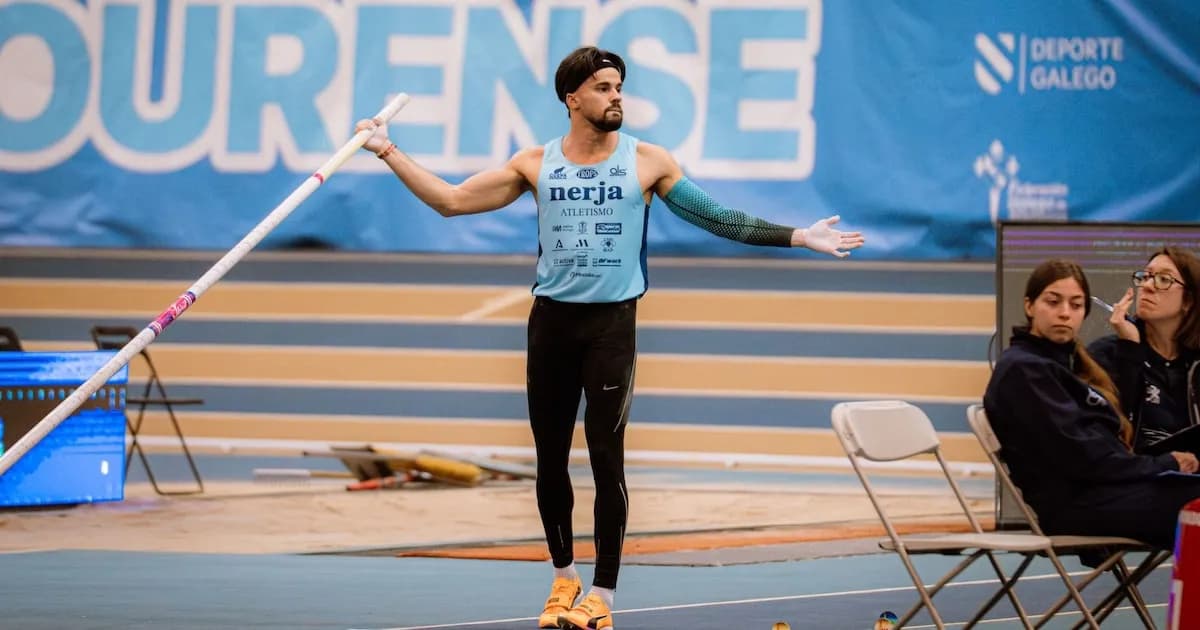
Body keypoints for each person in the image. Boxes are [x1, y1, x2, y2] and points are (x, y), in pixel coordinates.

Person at [354, 46, 864, 630]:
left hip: (610, 329)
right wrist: (388, 151)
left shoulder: (647, 162)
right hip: (551, 326)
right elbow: (450, 201)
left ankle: (604, 596)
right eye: (602, 87)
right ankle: (563, 579)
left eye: (619, 86)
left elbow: (719, 218)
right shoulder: (534, 165)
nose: (616, 95)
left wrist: (799, 236)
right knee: (549, 460)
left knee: (605, 459)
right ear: (573, 99)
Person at [984, 258, 1200, 550]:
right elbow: (1085, 459)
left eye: (1075, 305)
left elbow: (1111, 441)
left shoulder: (1064, 366)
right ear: (1029, 306)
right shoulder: (1024, 369)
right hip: (1080, 506)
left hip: (1110, 492)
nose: (1064, 313)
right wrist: (1165, 463)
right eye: (1053, 301)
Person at [1088, 247, 1200, 451]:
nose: (1147, 286)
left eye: (1164, 280)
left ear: (1189, 301)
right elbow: (1109, 439)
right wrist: (1130, 350)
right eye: (1146, 276)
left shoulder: (1196, 365)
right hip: (1135, 478)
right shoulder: (1105, 354)